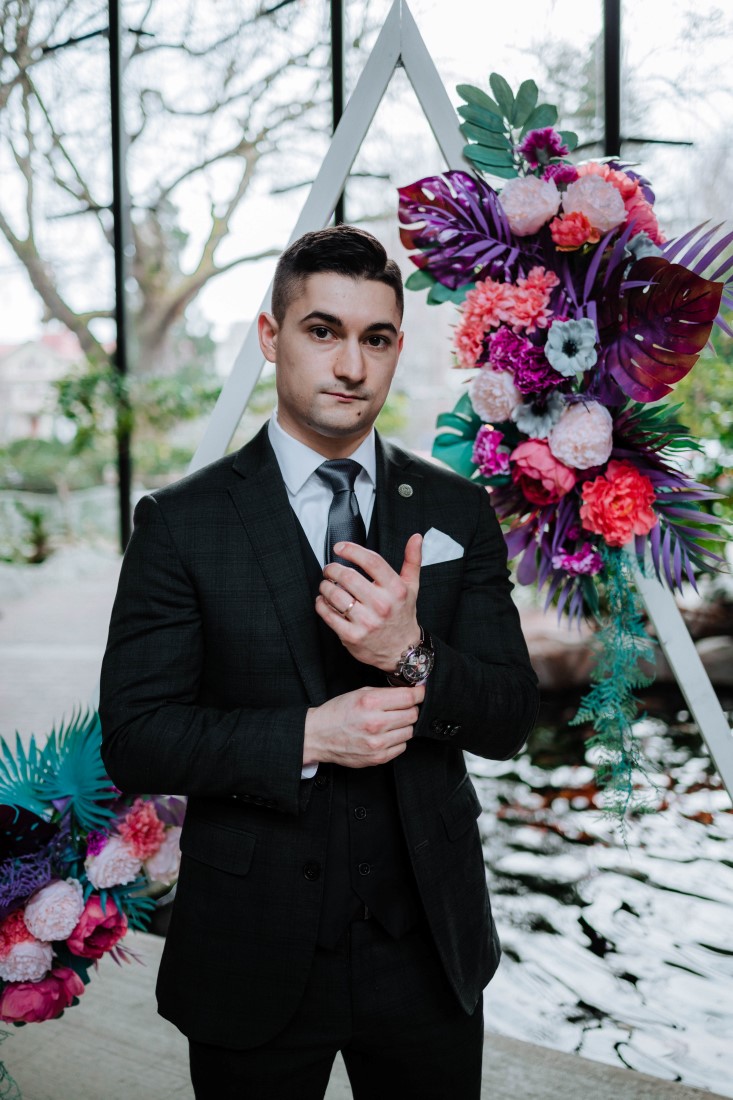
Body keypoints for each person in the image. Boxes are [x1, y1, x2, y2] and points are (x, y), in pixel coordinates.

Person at [99, 224, 539, 1100]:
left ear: (396, 350)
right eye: (322, 330)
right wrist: (309, 736)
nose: (350, 365)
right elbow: (138, 738)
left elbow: (510, 717)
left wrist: (407, 653)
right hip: (252, 944)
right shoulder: (182, 524)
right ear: (271, 338)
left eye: (374, 339)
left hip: (426, 945)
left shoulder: (456, 509)